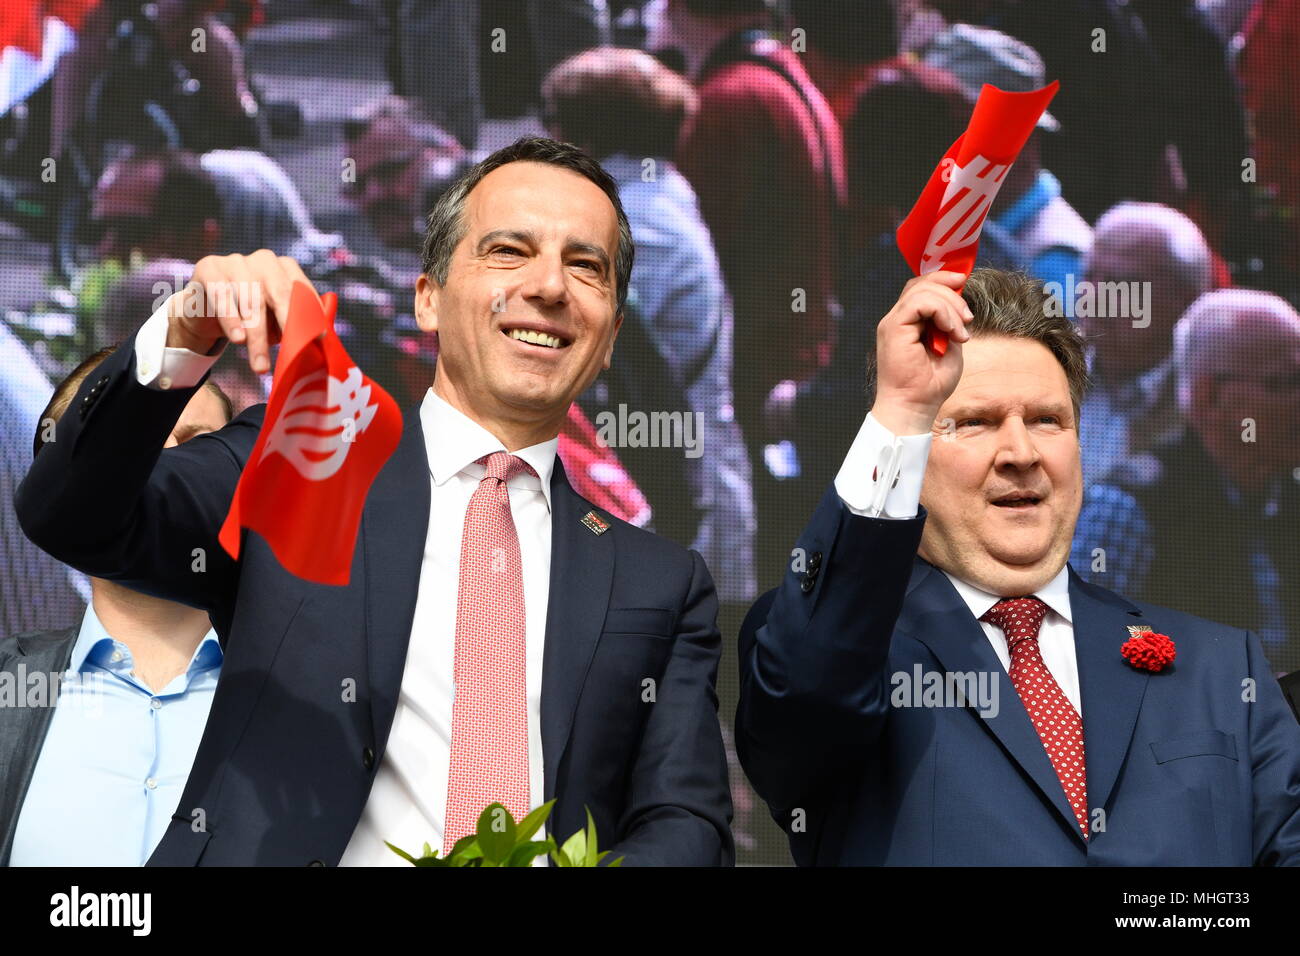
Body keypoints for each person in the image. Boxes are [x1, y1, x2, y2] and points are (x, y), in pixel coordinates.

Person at [15, 137, 734, 866]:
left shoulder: (659, 586)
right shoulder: (298, 463)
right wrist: (182, 332)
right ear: (427, 298)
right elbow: (70, 514)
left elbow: (687, 825)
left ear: (610, 335)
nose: (549, 285)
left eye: (586, 266)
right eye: (509, 251)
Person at [736, 267, 1300, 865]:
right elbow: (805, 701)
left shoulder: (1223, 668)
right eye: (975, 422)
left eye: (1047, 420)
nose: (1021, 453)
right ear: (913, 452)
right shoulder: (845, 653)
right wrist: (900, 410)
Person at [540, 46, 756, 608]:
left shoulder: (640, 225)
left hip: (677, 491)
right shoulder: (652, 196)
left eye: (553, 123)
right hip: (672, 479)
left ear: (580, 135)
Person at [2, 349, 232, 866]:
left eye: (198, 444)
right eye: (133, 444)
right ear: (60, 483)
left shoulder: (319, 703)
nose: (167, 462)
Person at [1076, 289, 1300, 677]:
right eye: (1287, 382)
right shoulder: (1129, 507)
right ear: (1211, 396)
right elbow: (1091, 661)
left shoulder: (1287, 499)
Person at [1073, 202, 1213, 484]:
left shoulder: (1208, 401)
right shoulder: (1046, 372)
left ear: (1184, 297)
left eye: (1122, 282)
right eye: (1090, 276)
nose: (1094, 296)